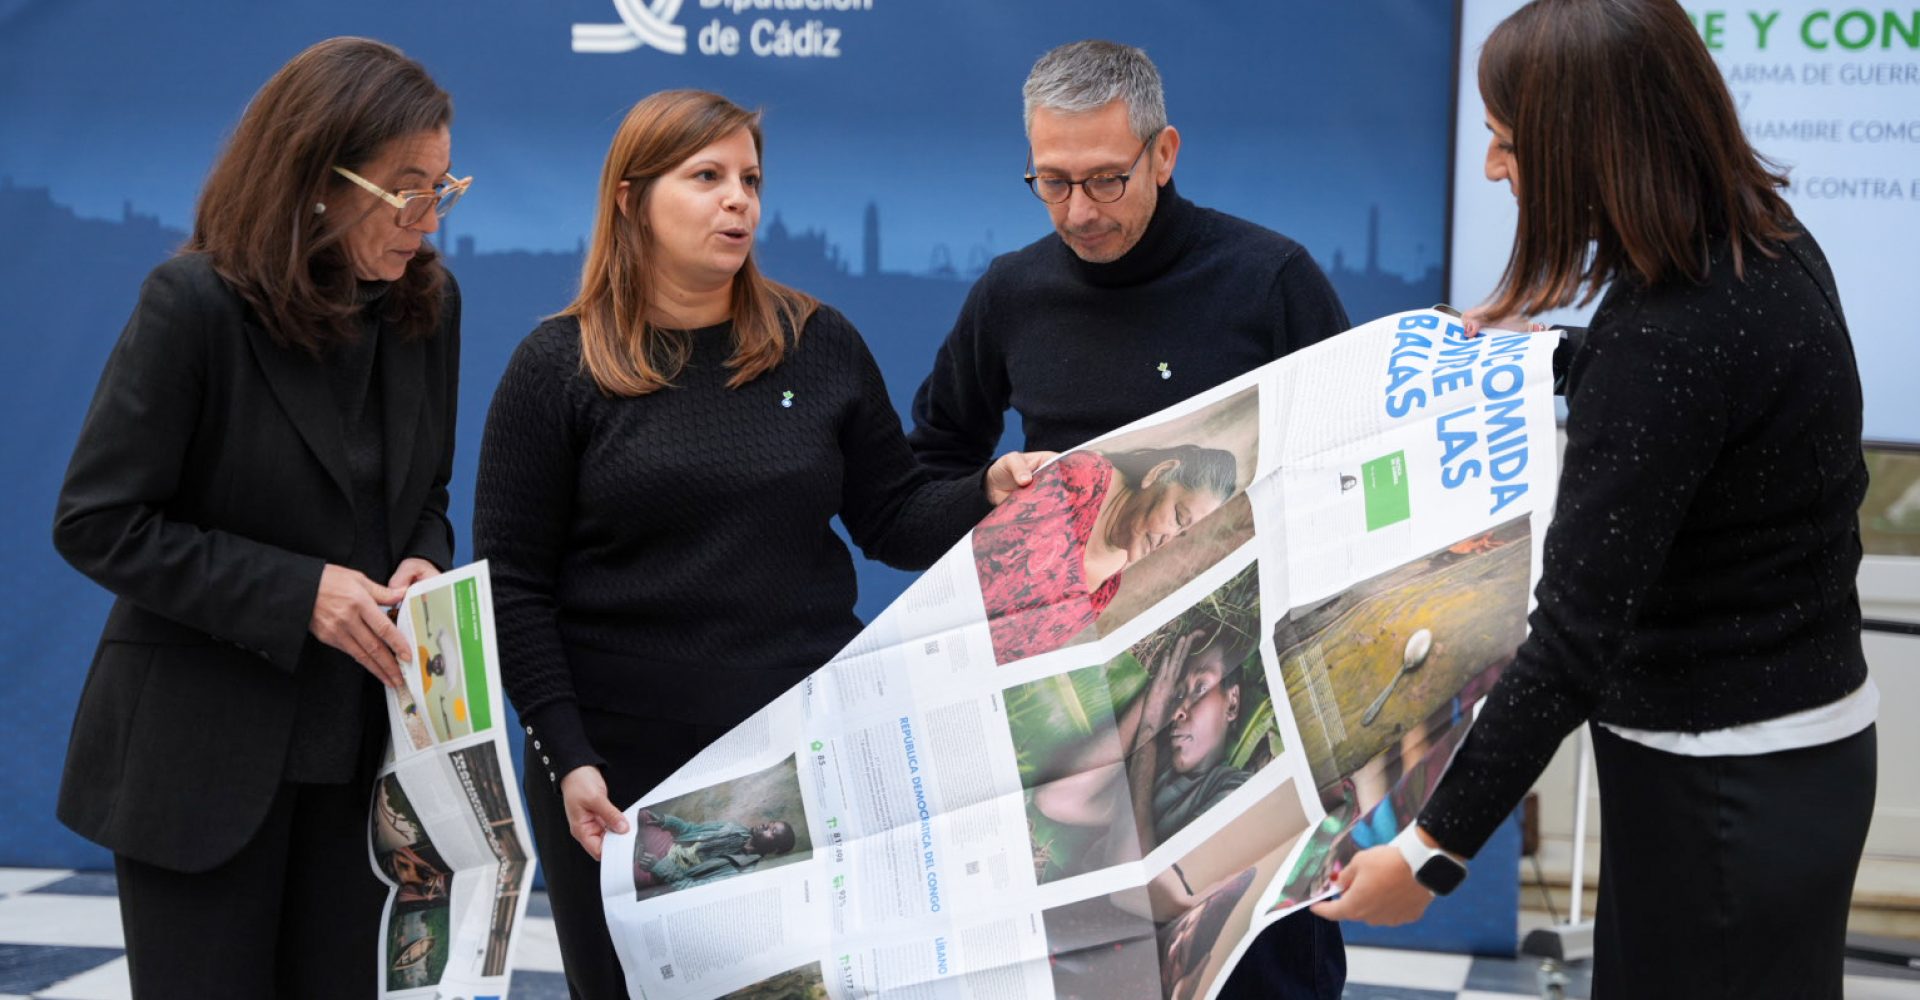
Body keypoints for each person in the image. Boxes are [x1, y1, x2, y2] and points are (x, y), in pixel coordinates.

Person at [1314, 3, 1878, 997]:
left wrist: (1433, 851)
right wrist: (1555, 361)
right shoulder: (1764, 245)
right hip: (1794, 756)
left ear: (1587, 145)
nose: (1494, 169)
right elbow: (1714, 420)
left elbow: (1572, 645)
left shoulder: (1664, 341)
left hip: (1717, 793)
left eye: (1507, 142)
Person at [473, 89, 1039, 999]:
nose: (738, 199)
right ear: (631, 200)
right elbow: (513, 589)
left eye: (750, 179)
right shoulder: (556, 368)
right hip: (623, 784)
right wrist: (569, 756)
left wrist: (986, 492)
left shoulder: (817, 344)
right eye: (706, 177)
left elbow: (891, 517)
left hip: (797, 761)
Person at [909, 39, 1350, 999]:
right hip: (1070, 701)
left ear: (1164, 152)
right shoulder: (1013, 293)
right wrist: (991, 492)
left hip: (1250, 702)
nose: (1079, 212)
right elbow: (930, 464)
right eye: (1052, 183)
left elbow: (1351, 460)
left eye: (1107, 180)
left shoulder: (1268, 280)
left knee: (1258, 966)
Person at [49, 37, 465, 998]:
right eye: (406, 188)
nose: (427, 217)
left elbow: (424, 500)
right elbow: (98, 520)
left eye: (443, 186)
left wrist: (421, 562)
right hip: (196, 766)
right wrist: (298, 594)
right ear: (320, 177)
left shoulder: (427, 309)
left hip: (366, 769)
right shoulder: (194, 304)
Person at [973, 444, 1235, 662]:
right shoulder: (1084, 479)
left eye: (1182, 535)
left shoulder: (1107, 588)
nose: (1169, 539)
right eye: (1179, 517)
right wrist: (984, 492)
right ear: (1160, 472)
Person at [632, 809, 796, 897]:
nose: (764, 825)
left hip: (665, 872)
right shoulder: (734, 828)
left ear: (773, 849)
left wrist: (660, 867)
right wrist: (668, 821)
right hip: (670, 847)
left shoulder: (740, 873)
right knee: (644, 815)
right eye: (770, 823)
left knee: (629, 875)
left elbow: (690, 888)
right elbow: (692, 829)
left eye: (771, 831)